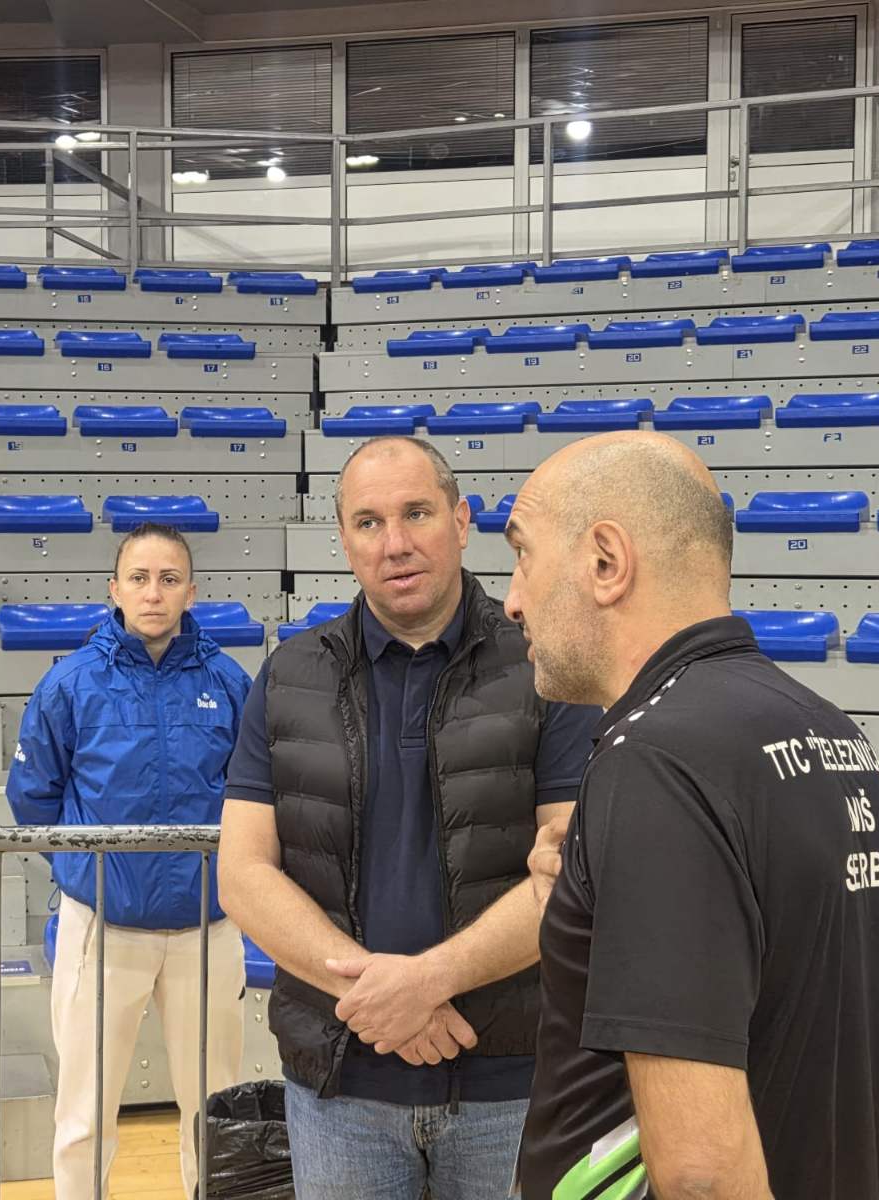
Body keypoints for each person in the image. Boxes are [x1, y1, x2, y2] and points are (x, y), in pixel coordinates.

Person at [502, 431, 879, 1200]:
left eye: (523, 554)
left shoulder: (656, 760)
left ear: (606, 562)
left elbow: (701, 1174)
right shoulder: (827, 729)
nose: (512, 599)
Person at [218, 435, 602, 1200]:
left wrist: (427, 981)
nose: (394, 543)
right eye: (368, 522)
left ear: (461, 521)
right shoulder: (288, 675)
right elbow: (243, 873)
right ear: (344, 539)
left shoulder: (548, 666)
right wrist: (380, 1000)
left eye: (417, 513)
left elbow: (571, 875)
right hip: (339, 1089)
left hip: (513, 1085)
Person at [6, 523, 252, 1200]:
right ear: (114, 589)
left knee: (214, 1107)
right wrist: (89, 878)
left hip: (207, 927)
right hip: (103, 928)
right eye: (139, 579)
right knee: (84, 1113)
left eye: (169, 579)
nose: (153, 593)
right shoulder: (70, 683)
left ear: (191, 592)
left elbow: (255, 795)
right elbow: (33, 796)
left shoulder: (230, 683)